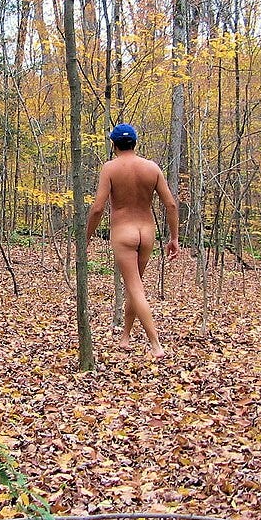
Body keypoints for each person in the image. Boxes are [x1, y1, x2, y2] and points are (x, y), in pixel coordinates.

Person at [85, 123, 179, 357]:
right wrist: (174, 238)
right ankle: (125, 337)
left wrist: (86, 238)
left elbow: (97, 208)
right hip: (147, 233)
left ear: (113, 144)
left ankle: (156, 344)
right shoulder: (152, 168)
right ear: (135, 143)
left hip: (123, 232)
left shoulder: (110, 168)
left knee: (135, 288)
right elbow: (170, 204)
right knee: (133, 286)